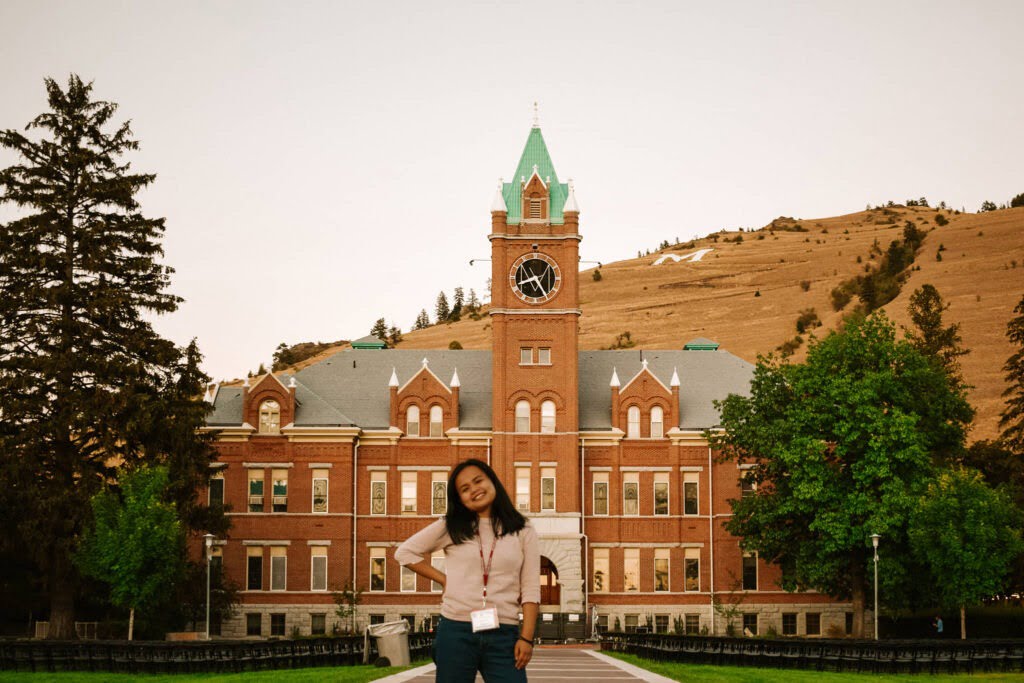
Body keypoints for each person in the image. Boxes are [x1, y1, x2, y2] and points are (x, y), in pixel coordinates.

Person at [396, 459, 540, 682]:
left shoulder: (523, 529)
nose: (474, 490)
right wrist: (445, 580)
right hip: (456, 631)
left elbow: (531, 587)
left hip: (504, 634)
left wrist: (527, 638)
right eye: (465, 489)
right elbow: (404, 553)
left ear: (492, 480)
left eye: (478, 481)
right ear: (460, 499)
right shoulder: (450, 526)